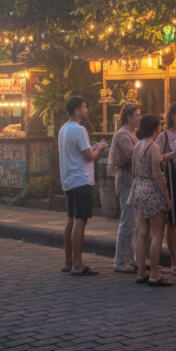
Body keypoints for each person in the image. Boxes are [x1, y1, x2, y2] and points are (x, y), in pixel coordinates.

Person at [59, 96, 108, 276]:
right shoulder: (79, 130)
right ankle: (77, 263)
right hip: (81, 179)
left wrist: (94, 147)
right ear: (77, 110)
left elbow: (81, 151)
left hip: (69, 180)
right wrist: (100, 149)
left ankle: (68, 261)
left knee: (71, 219)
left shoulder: (64, 129)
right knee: (80, 221)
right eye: (85, 107)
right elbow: (89, 157)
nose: (87, 110)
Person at [131, 114, 172, 286]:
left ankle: (141, 273)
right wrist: (167, 198)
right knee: (157, 234)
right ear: (155, 128)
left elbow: (134, 170)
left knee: (141, 233)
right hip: (152, 191)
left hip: (139, 189)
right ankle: (154, 274)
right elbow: (157, 174)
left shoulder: (137, 145)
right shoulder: (153, 147)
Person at [156, 101, 176, 277]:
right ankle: (174, 261)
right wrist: (172, 155)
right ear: (172, 116)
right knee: (173, 222)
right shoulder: (165, 136)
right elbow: (157, 157)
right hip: (171, 181)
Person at [109, 103, 140, 273]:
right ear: (128, 117)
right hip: (126, 180)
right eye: (136, 115)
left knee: (133, 222)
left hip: (131, 179)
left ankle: (130, 257)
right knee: (127, 221)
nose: (138, 118)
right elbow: (133, 153)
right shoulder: (122, 135)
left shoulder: (130, 134)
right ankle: (120, 260)